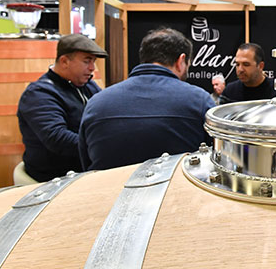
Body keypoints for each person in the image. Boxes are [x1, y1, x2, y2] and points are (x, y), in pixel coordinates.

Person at [78, 28, 215, 170]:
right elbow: (216, 162)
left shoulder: (96, 104)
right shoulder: (200, 101)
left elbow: (86, 163)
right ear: (181, 61)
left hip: (107, 191)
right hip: (177, 191)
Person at [17, 34, 108, 181]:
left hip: (84, 172)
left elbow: (106, 113)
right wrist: (102, 145)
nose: (92, 68)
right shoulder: (39, 94)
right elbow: (58, 139)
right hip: (53, 180)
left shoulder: (87, 85)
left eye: (93, 62)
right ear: (64, 61)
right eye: (87, 61)